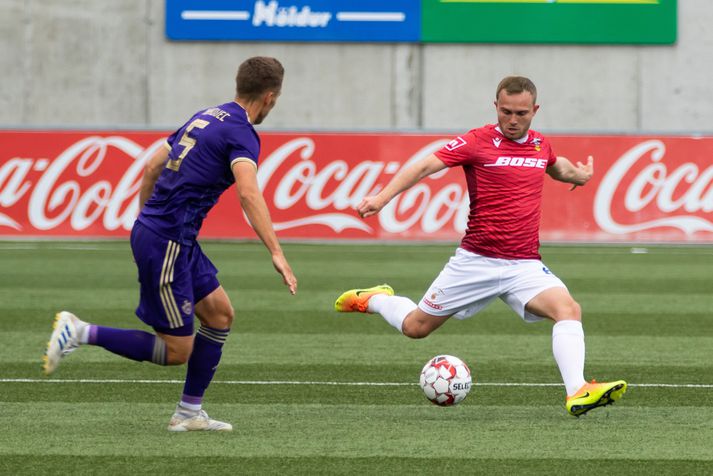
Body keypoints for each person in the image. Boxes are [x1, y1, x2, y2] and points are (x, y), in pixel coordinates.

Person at [334, 76, 626, 417]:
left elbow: (553, 165)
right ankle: (376, 299)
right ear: (496, 107)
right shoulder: (478, 141)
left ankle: (577, 391)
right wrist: (382, 197)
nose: (513, 120)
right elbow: (425, 165)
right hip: (476, 262)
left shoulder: (539, 145)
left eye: (521, 113)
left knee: (568, 310)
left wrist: (577, 175)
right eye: (506, 112)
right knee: (416, 328)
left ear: (535, 110)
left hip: (524, 265)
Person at [43, 56, 298, 431]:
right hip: (168, 241)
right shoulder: (242, 133)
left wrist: (146, 221)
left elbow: (151, 167)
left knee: (220, 315)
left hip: (171, 236)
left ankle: (188, 414)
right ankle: (79, 331)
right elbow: (248, 193)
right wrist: (276, 252)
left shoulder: (206, 115)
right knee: (176, 351)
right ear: (270, 97)